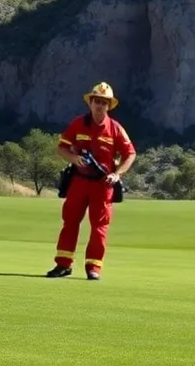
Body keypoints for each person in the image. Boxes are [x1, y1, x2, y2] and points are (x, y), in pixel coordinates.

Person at [46, 82, 136, 280]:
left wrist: (117, 174)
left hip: (103, 185)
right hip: (79, 181)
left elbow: (130, 154)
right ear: (90, 103)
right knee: (70, 222)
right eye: (96, 101)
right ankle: (63, 264)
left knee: (99, 227)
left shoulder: (115, 129)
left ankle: (93, 267)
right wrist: (73, 159)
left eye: (104, 102)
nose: (99, 105)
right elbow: (62, 147)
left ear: (109, 106)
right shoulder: (78, 123)